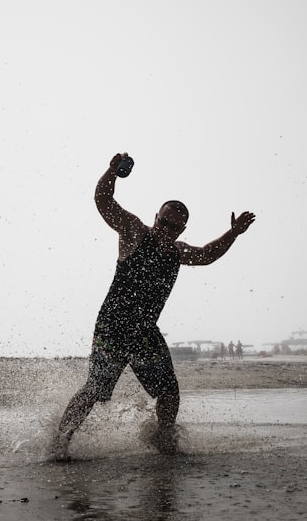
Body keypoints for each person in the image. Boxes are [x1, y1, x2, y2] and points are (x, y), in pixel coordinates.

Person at [50, 152, 256, 460]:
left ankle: (163, 439)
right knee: (94, 389)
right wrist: (110, 173)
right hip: (114, 325)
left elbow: (207, 254)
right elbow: (104, 203)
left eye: (175, 227)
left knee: (169, 392)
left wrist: (233, 234)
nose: (167, 230)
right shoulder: (135, 232)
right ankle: (60, 443)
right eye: (164, 222)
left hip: (145, 332)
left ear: (181, 231)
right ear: (156, 218)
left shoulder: (178, 252)